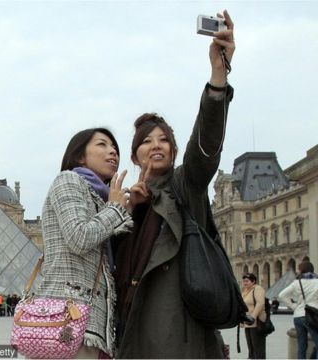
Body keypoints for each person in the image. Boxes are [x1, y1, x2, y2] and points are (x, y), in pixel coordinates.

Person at [114, 10, 235, 358]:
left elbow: (206, 148)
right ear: (135, 156)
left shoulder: (185, 185)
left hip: (175, 331)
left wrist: (218, 77)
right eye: (147, 141)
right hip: (131, 324)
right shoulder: (123, 203)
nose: (156, 145)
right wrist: (122, 211)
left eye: (164, 140)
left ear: (174, 150)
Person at [36, 126, 133, 358]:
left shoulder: (101, 198)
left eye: (115, 148)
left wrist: (130, 208)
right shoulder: (68, 180)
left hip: (93, 325)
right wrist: (116, 209)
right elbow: (79, 238)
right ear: (80, 155)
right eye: (102, 144)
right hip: (67, 321)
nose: (113, 152)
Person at [279, 261, 318, 359]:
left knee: (302, 345)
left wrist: (293, 306)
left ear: (301, 270)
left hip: (298, 315)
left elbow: (281, 295)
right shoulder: (317, 281)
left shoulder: (297, 282)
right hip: (312, 315)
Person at [241, 273, 267, 359]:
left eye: (247, 281)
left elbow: (260, 303)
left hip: (256, 322)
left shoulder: (257, 289)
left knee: (258, 346)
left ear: (253, 281)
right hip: (247, 322)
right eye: (244, 281)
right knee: (251, 346)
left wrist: (253, 317)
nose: (245, 283)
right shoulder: (245, 291)